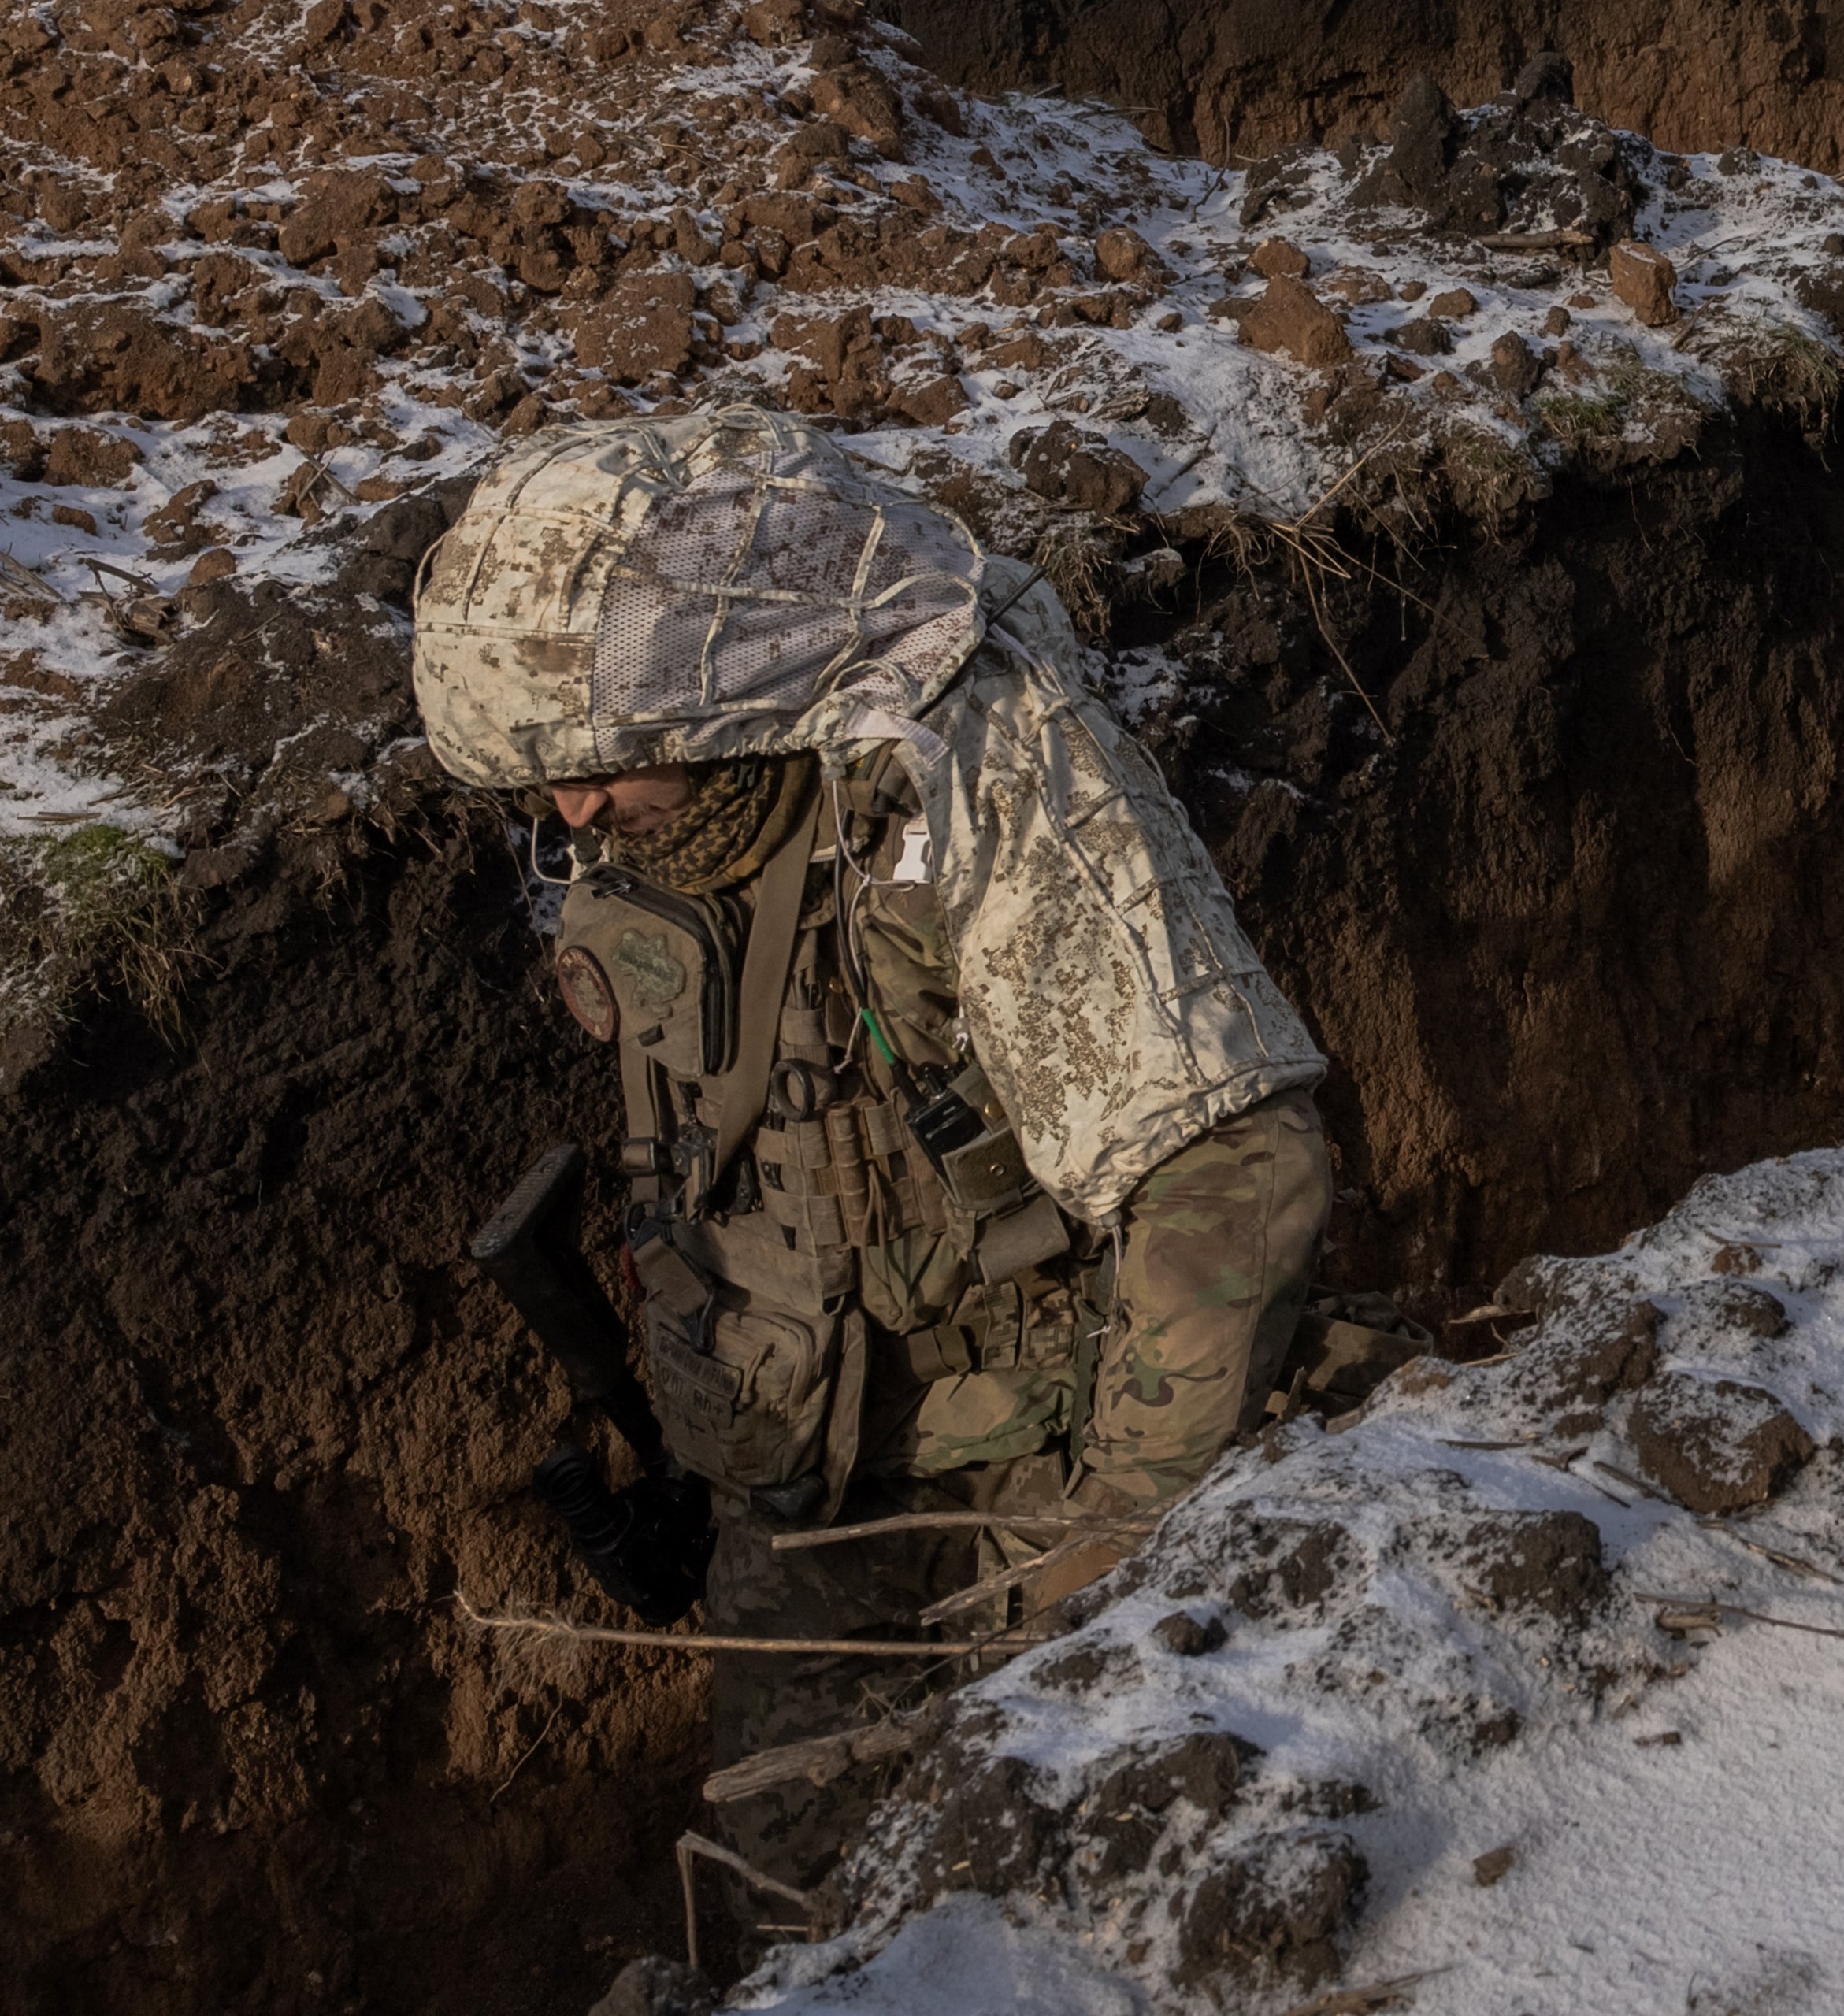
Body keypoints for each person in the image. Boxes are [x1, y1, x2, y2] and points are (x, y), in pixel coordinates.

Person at [411, 406, 1332, 1866]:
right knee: (793, 1913)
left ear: (716, 696)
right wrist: (700, 1471)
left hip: (1023, 1495)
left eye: (597, 763)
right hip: (785, 1504)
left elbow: (1236, 1173)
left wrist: (1110, 1553)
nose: (568, 808)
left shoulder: (956, 774)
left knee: (1024, 1894)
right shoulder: (630, 813)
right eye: (543, 778)